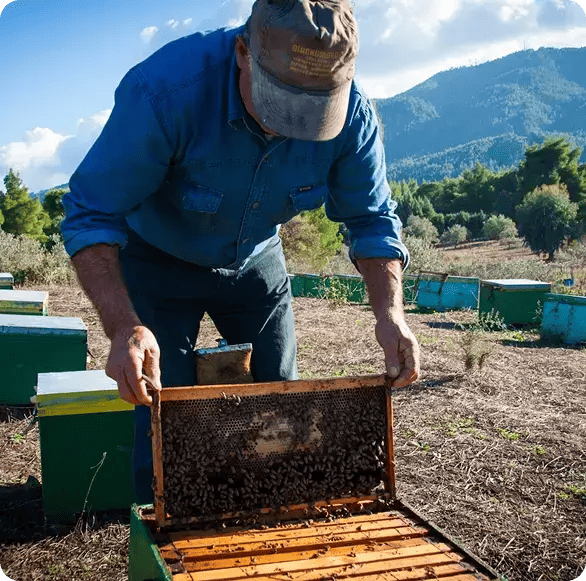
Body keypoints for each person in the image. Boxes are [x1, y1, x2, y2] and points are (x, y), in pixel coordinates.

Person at [61, 0, 420, 503]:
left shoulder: (356, 117)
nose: (289, 125)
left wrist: (391, 314)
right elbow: (89, 212)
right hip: (157, 260)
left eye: (313, 108)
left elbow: (372, 218)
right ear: (242, 52)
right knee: (162, 416)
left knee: (283, 411)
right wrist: (124, 327)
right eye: (278, 101)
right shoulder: (165, 92)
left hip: (255, 259)